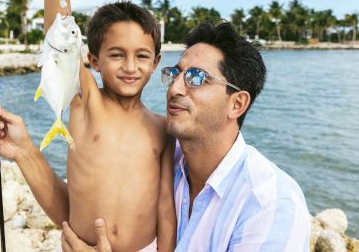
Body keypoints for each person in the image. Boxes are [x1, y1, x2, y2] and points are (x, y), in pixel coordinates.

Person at [0, 0, 176, 251]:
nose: (130, 66)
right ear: (93, 61)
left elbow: (166, 209)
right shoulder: (86, 102)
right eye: (116, 54)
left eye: (141, 55)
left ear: (155, 62)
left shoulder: (163, 129)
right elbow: (58, 32)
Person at [61, 21, 311, 251]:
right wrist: (27, 153)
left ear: (237, 104)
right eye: (175, 73)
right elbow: (86, 204)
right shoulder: (161, 160)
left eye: (196, 78)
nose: (175, 88)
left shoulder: (270, 205)